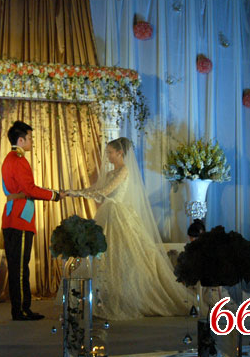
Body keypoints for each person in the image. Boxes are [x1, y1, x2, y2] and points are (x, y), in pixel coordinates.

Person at [66, 137, 191, 320]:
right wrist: (75, 192)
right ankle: (106, 297)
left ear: (120, 153)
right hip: (108, 213)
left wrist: (77, 194)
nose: (108, 156)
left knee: (124, 256)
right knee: (107, 257)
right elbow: (96, 188)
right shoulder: (111, 172)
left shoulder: (124, 170)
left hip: (117, 214)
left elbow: (104, 192)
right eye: (107, 152)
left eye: (110, 152)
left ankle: (126, 298)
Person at [1, 121, 67, 321]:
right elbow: (29, 189)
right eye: (30, 138)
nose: (32, 141)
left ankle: (20, 308)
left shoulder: (9, 158)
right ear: (21, 140)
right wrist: (55, 195)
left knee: (16, 266)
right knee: (20, 267)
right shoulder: (19, 160)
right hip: (20, 218)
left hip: (11, 216)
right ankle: (21, 310)